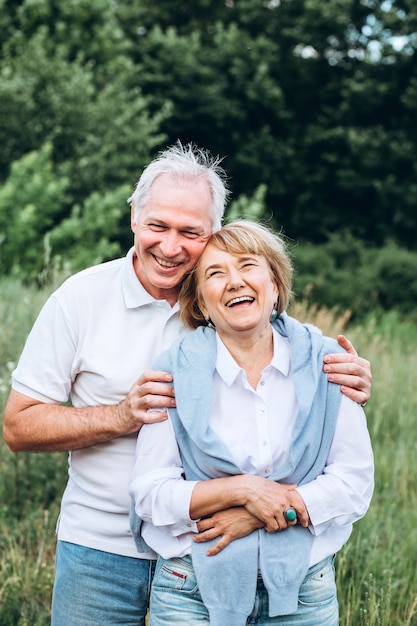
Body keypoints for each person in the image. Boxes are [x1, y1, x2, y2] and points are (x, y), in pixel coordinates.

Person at [3, 143, 371, 626]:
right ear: (134, 216)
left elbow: (296, 363)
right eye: (158, 226)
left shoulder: (231, 302)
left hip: (221, 548)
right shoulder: (80, 299)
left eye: (190, 232)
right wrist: (121, 415)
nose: (171, 246)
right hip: (101, 549)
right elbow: (18, 427)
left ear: (213, 233)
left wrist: (352, 374)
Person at [129, 220, 374, 626]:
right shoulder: (173, 372)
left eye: (247, 266)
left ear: (275, 285)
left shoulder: (329, 363)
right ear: (201, 304)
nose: (234, 282)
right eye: (215, 273)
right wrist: (243, 489)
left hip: (303, 592)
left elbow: (354, 483)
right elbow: (151, 493)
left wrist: (259, 512)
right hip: (191, 588)